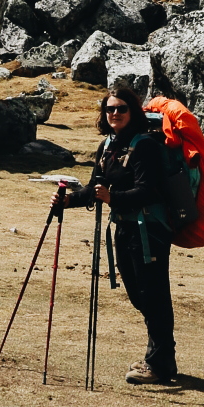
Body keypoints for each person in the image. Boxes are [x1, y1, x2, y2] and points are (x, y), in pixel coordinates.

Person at [55, 79, 177, 385]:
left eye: (121, 109)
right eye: (109, 109)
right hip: (124, 228)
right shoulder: (108, 146)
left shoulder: (145, 145)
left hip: (149, 230)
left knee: (153, 295)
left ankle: (158, 363)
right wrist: (68, 201)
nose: (114, 113)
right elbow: (95, 189)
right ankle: (163, 359)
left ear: (132, 111)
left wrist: (114, 199)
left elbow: (148, 190)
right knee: (139, 295)